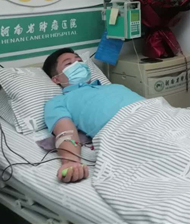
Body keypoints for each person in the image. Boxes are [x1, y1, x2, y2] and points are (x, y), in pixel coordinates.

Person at [42, 48, 144, 183]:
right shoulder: (58, 102)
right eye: (69, 64)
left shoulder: (114, 87)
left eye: (79, 60)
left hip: (157, 112)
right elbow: (65, 132)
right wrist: (70, 161)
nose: (78, 65)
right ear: (56, 79)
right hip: (129, 129)